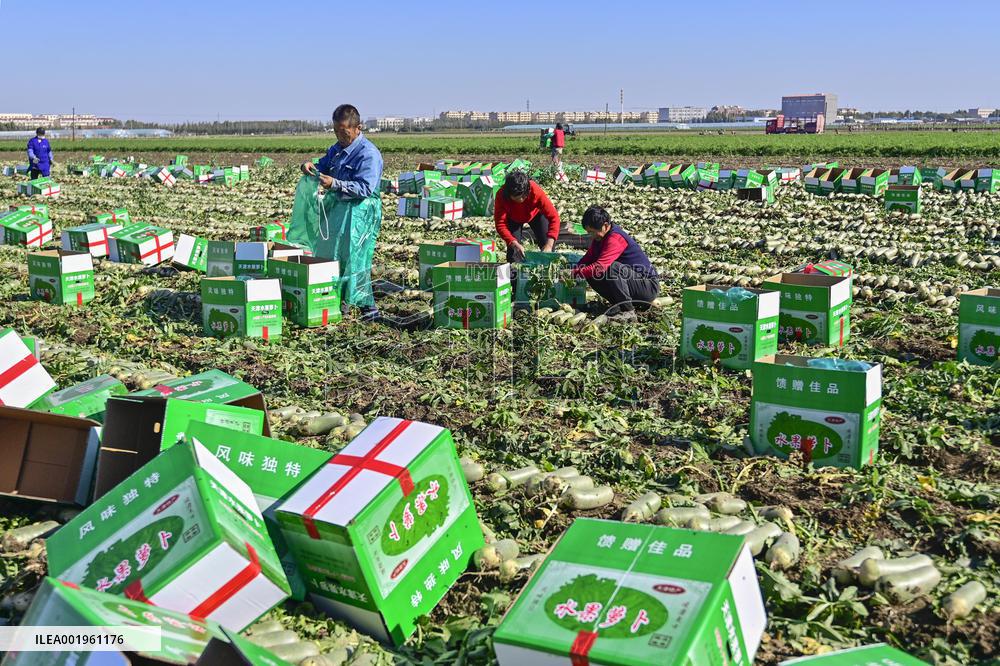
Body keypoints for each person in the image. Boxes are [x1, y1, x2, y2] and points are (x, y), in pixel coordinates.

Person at [299, 104, 384, 322]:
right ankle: (337, 302)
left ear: (357, 128)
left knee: (356, 259)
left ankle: (367, 308)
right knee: (331, 255)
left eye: (344, 133)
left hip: (360, 213)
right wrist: (312, 166)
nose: (340, 137)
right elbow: (324, 166)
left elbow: (365, 188)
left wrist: (335, 183)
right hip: (339, 209)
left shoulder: (369, 154)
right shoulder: (336, 150)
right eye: (336, 131)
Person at [571, 205, 659, 320]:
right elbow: (587, 258)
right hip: (632, 283)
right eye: (589, 232)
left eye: (593, 232)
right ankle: (619, 305)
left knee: (612, 268)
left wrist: (574, 273)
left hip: (647, 286)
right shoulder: (599, 238)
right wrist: (575, 270)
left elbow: (600, 267)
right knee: (588, 269)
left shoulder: (615, 238)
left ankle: (628, 311)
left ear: (605, 226)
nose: (591, 236)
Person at [493, 170, 561, 263]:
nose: (521, 200)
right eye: (516, 198)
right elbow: (500, 224)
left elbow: (554, 217)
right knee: (514, 254)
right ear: (509, 194)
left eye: (523, 196)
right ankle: (515, 275)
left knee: (548, 249)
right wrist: (513, 243)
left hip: (536, 215)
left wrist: (549, 245)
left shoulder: (535, 190)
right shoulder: (501, 195)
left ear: (527, 190)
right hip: (513, 218)